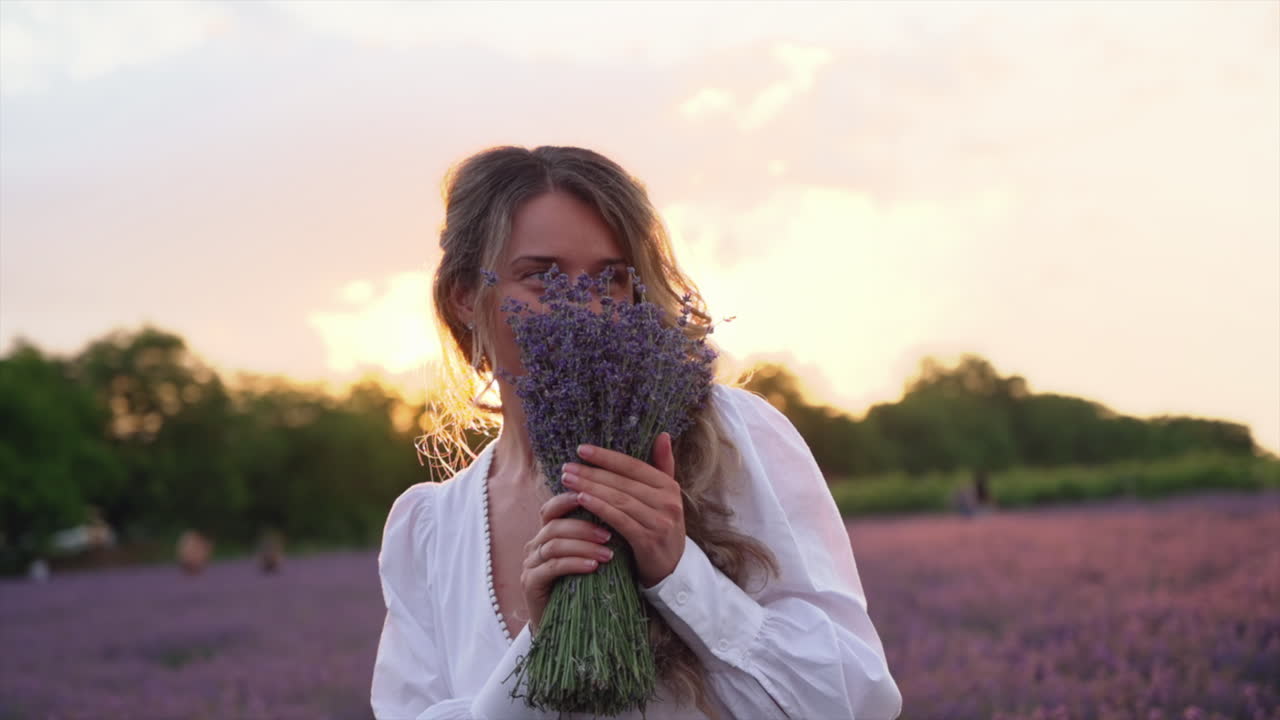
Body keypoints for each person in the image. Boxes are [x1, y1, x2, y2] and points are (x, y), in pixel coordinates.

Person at [370, 146, 903, 720]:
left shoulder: (732, 439)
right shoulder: (427, 530)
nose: (588, 309)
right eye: (540, 277)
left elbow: (861, 699)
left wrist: (680, 575)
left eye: (613, 278)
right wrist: (540, 644)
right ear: (466, 297)